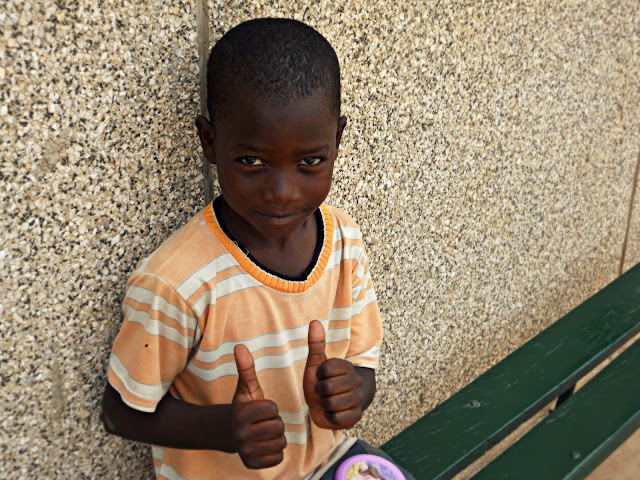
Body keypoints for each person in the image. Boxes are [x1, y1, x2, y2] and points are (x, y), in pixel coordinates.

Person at [102, 18, 413, 480]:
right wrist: (225, 429)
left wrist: (351, 395)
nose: (282, 192)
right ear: (210, 142)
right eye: (252, 161)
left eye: (310, 161)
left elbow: (363, 367)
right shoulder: (177, 283)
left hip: (329, 464)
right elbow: (119, 412)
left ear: (337, 140)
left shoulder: (344, 240)